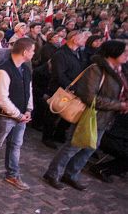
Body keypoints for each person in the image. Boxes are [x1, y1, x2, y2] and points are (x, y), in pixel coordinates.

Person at [43, 40, 128, 191]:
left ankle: (71, 174)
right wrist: (119, 105)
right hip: (88, 116)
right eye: (124, 52)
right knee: (73, 146)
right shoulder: (96, 69)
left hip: (104, 118)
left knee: (90, 148)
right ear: (114, 52)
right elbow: (89, 97)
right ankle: (53, 173)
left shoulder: (118, 71)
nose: (127, 55)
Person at [0, 38, 35, 190]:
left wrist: (29, 109)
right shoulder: (3, 70)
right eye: (32, 50)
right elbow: (1, 98)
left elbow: (29, 90)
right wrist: (18, 114)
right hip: (5, 116)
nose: (33, 53)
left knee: (16, 145)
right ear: (25, 52)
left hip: (21, 115)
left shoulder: (26, 69)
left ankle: (12, 174)